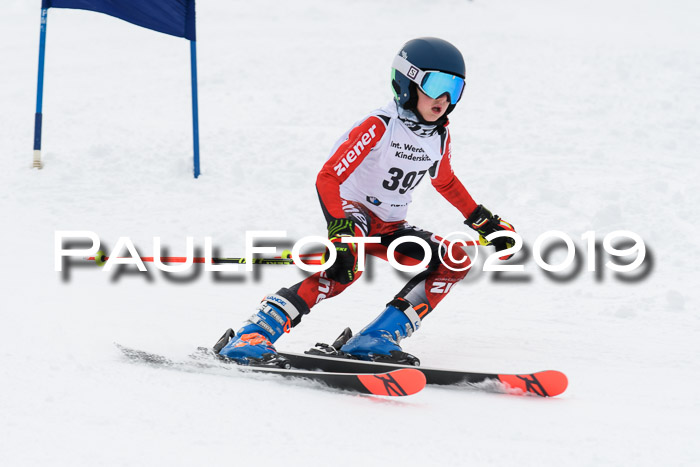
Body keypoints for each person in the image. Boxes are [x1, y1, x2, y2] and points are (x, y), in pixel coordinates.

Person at [214, 37, 516, 366]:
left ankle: (376, 338)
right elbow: (328, 176)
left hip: (391, 226)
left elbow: (444, 180)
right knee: (343, 271)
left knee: (454, 259)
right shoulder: (380, 126)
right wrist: (341, 231)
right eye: (435, 84)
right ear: (408, 82)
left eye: (455, 89)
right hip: (353, 216)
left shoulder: (438, 136)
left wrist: (484, 222)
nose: (444, 98)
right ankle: (252, 336)